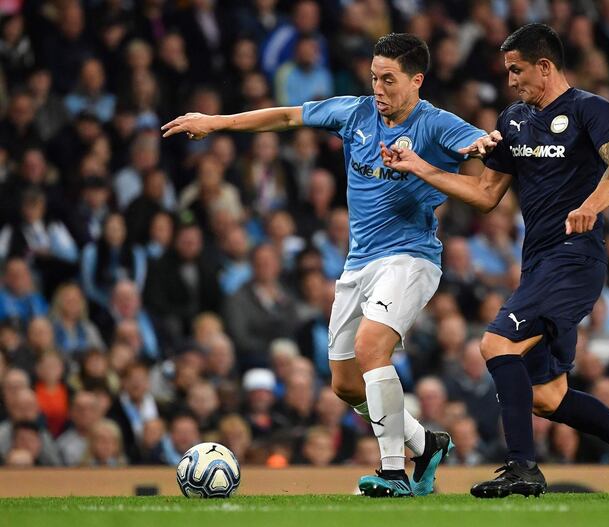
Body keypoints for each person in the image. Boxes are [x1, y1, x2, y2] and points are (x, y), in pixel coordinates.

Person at [162, 33, 497, 497]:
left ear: (417, 80)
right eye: (374, 78)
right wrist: (215, 123)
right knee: (343, 382)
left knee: (370, 348)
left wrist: (488, 144)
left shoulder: (437, 125)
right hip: (358, 263)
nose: (378, 89)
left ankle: (394, 474)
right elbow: (285, 115)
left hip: (410, 257)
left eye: (389, 80)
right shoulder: (354, 112)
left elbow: (481, 147)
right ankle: (426, 443)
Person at [382, 23, 609, 499]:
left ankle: (522, 466)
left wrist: (590, 206)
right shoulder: (515, 119)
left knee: (496, 344)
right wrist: (420, 167)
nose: (511, 80)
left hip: (576, 260)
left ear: (545, 66)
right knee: (547, 396)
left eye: (517, 69)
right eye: (507, 71)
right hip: (539, 263)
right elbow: (484, 195)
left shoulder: (590, 109)